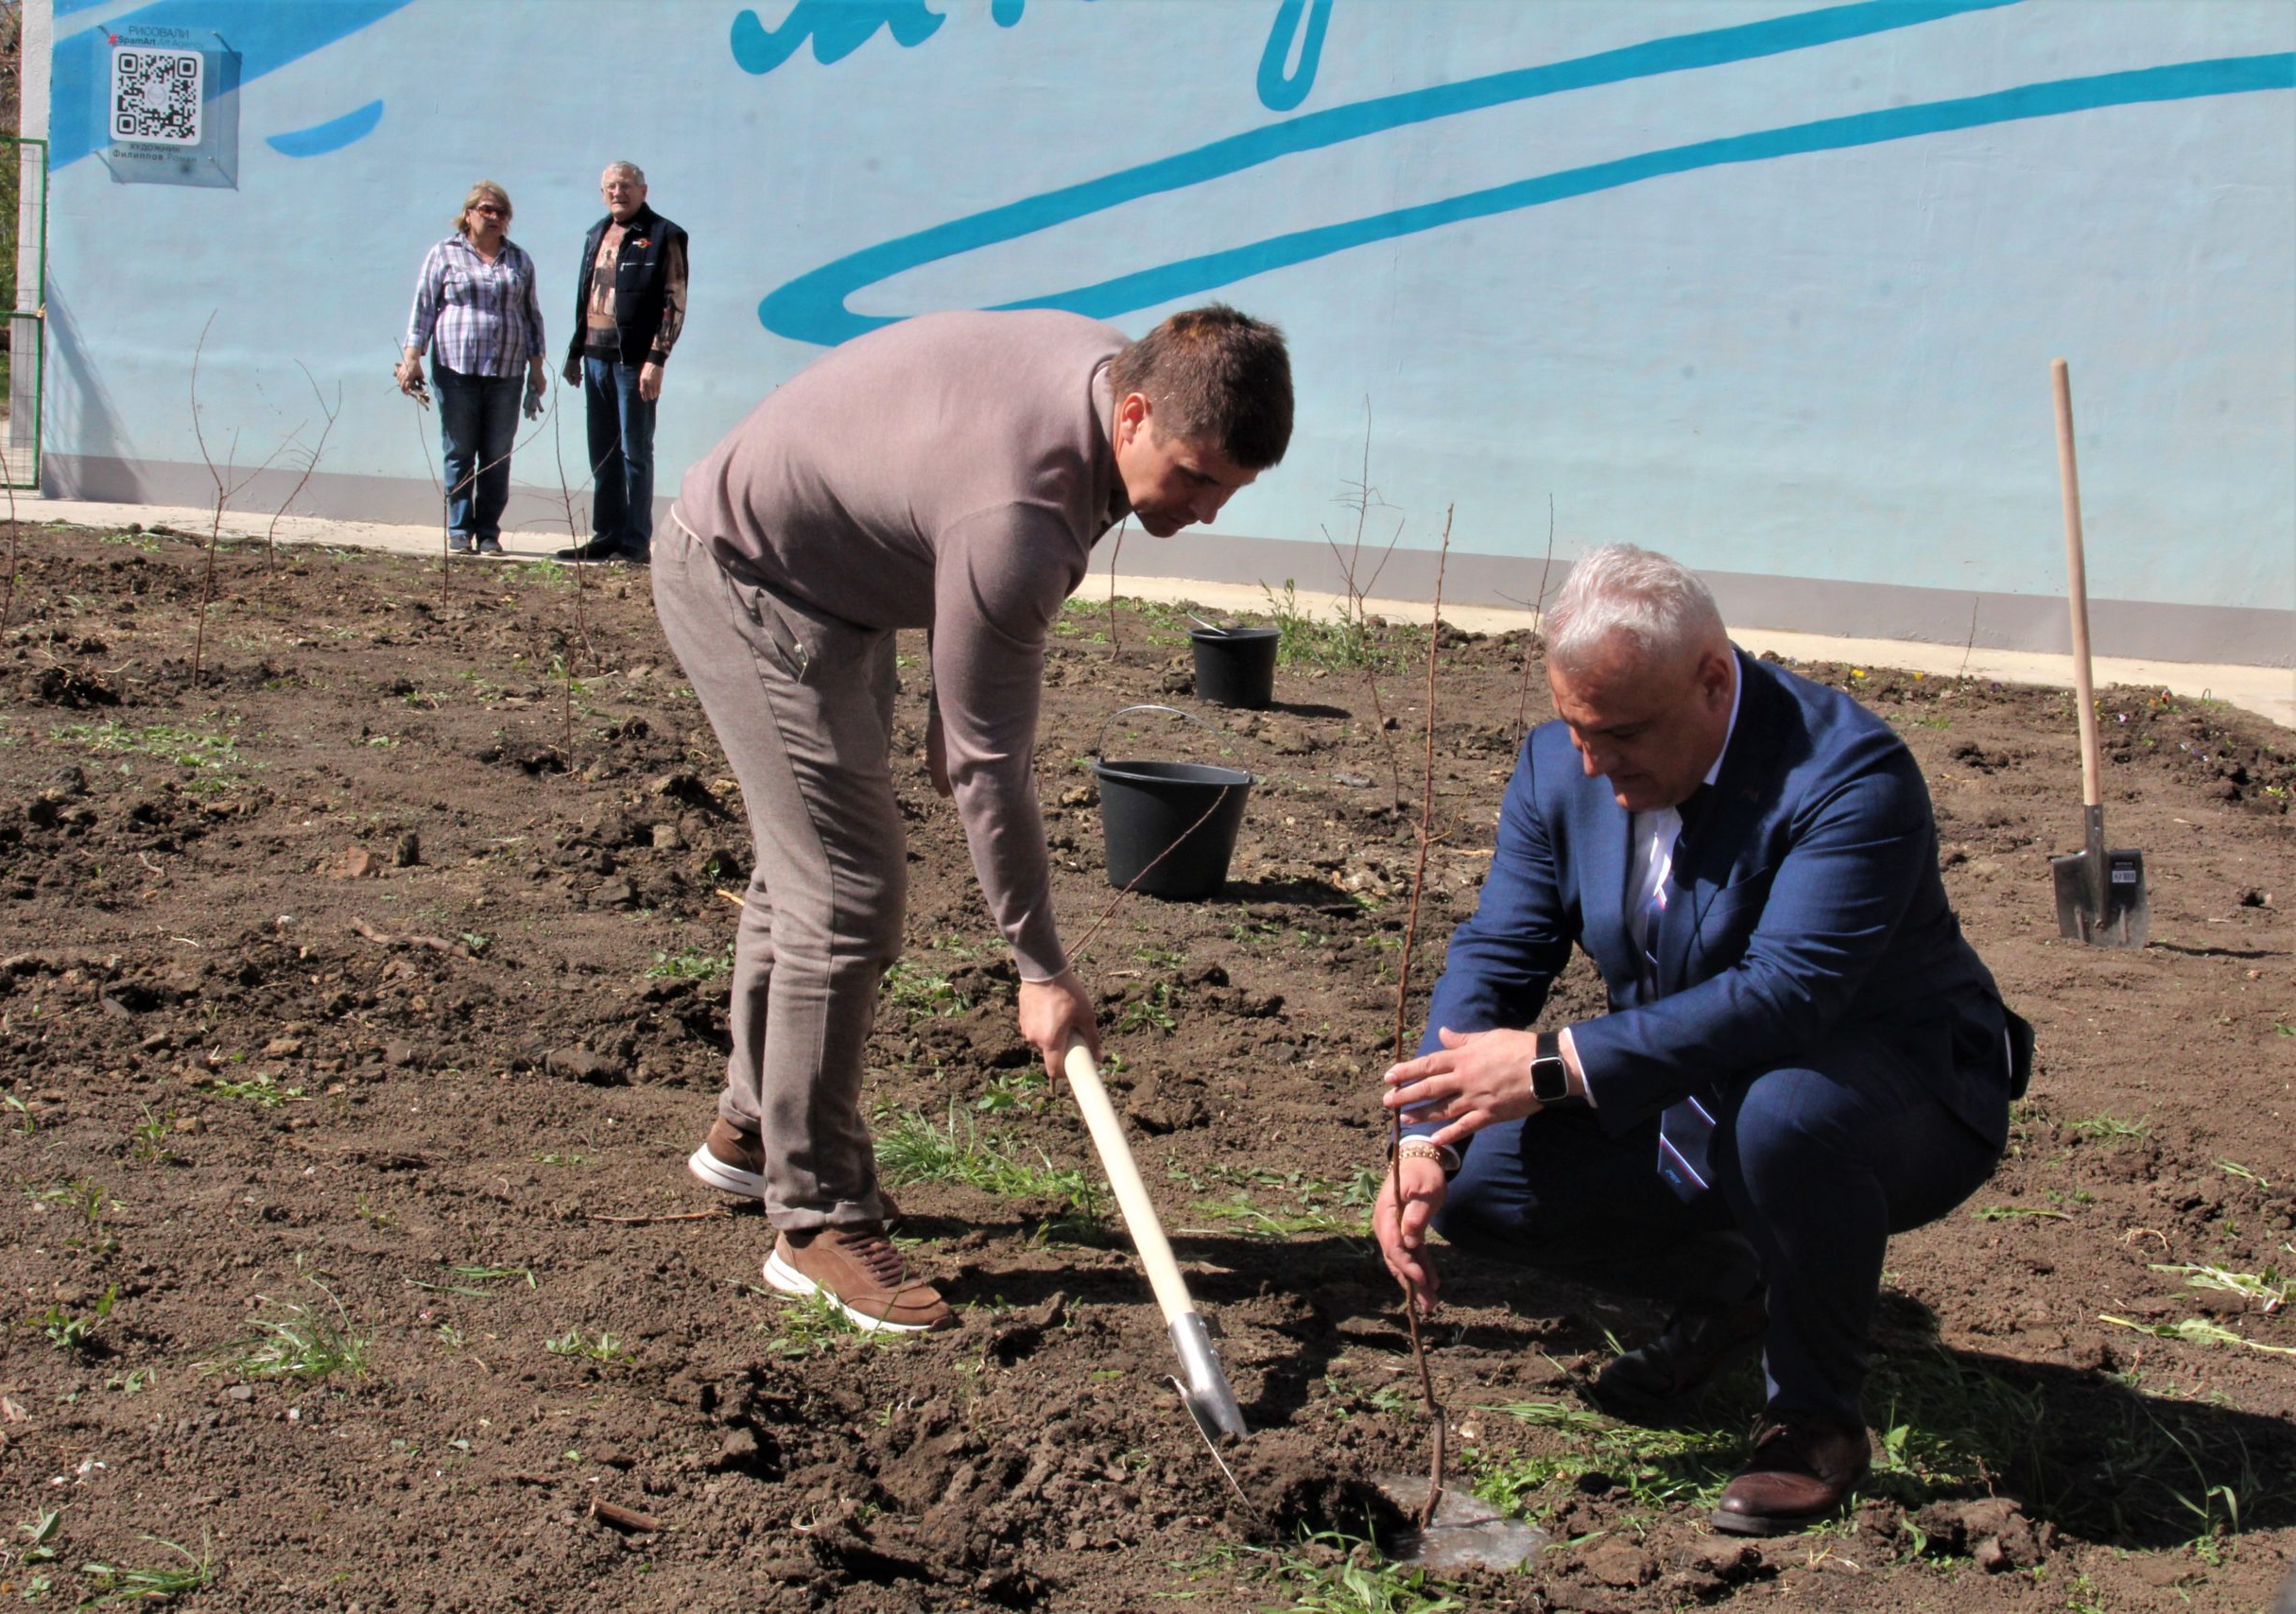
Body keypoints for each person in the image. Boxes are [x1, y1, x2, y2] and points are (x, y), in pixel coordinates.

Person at [656, 304, 1292, 1332]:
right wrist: (1040, 966)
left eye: (1233, 487)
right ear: (1132, 414)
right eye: (1196, 476)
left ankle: (753, 1131)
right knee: (846, 895)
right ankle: (813, 1218)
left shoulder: (1109, 380)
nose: (1209, 509)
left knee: (808, 865)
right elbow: (980, 764)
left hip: (831, 575)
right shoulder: (1018, 517)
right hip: (746, 575)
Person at [1373, 544, 2025, 1536]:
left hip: (1901, 1090)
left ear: (1713, 680)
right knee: (1483, 1179)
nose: (1592, 762)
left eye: (1621, 733)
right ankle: (1738, 1279)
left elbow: (1788, 996)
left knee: (1787, 1116)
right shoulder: (1565, 762)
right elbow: (1502, 948)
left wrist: (1555, 1063)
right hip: (1705, 1086)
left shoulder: (1846, 775)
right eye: (1575, 727)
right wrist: (1425, 1134)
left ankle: (1813, 1422)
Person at [397, 181, 548, 556]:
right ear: (468, 214)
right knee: (460, 448)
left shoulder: (519, 260)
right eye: (486, 209)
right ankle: (460, 530)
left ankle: (490, 532)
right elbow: (423, 308)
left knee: (497, 452)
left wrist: (537, 370)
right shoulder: (444, 254)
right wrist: (412, 357)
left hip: (507, 371)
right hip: (456, 369)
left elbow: (532, 317)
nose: (494, 217)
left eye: (501, 212)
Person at [556, 161, 688, 565]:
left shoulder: (664, 234)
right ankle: (606, 534)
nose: (619, 192)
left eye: (627, 185)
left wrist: (657, 358)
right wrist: (575, 352)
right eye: (611, 187)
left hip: (634, 362)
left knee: (635, 451)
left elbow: (674, 301)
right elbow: (586, 296)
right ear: (602, 193)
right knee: (603, 452)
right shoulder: (596, 234)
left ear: (643, 191)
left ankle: (633, 542)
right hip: (596, 358)